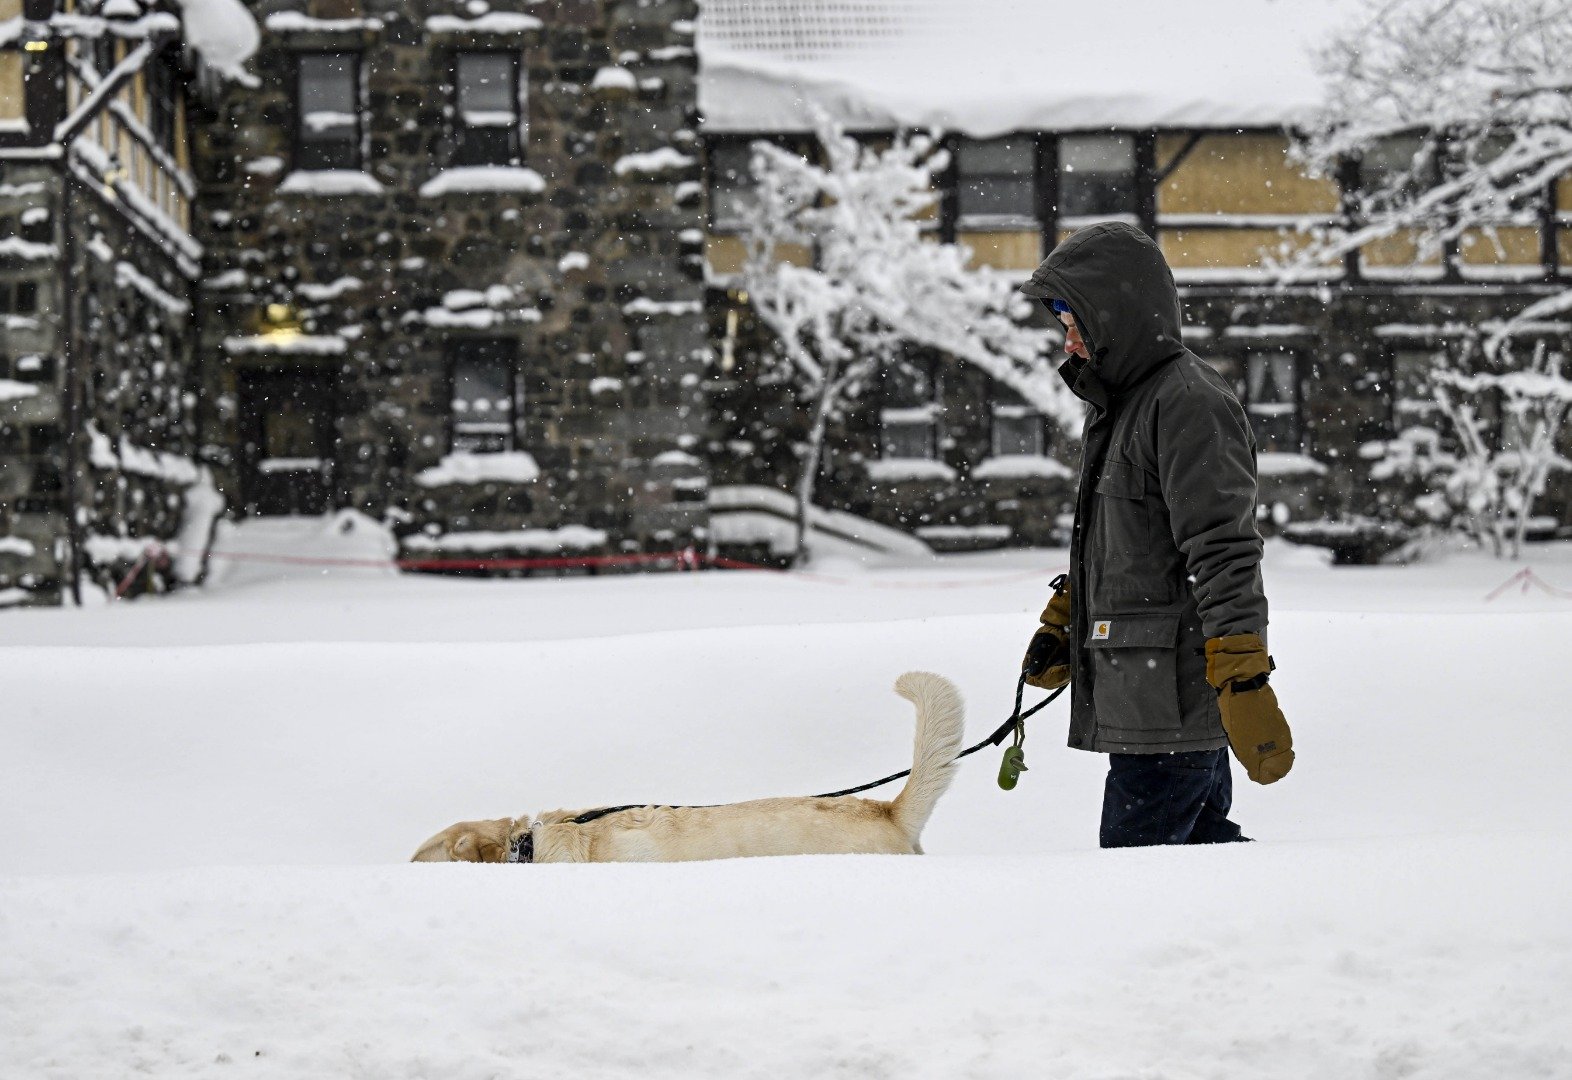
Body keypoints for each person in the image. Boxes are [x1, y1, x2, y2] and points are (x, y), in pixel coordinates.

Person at [1016, 221, 1294, 848]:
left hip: (1173, 700)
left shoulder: (1186, 403)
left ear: (1115, 315)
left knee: (1134, 885)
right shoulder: (1123, 404)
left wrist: (1242, 674)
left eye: (1074, 323)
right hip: (1144, 689)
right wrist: (1066, 619)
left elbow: (1222, 550)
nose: (1068, 342)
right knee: (1195, 870)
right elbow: (1128, 545)